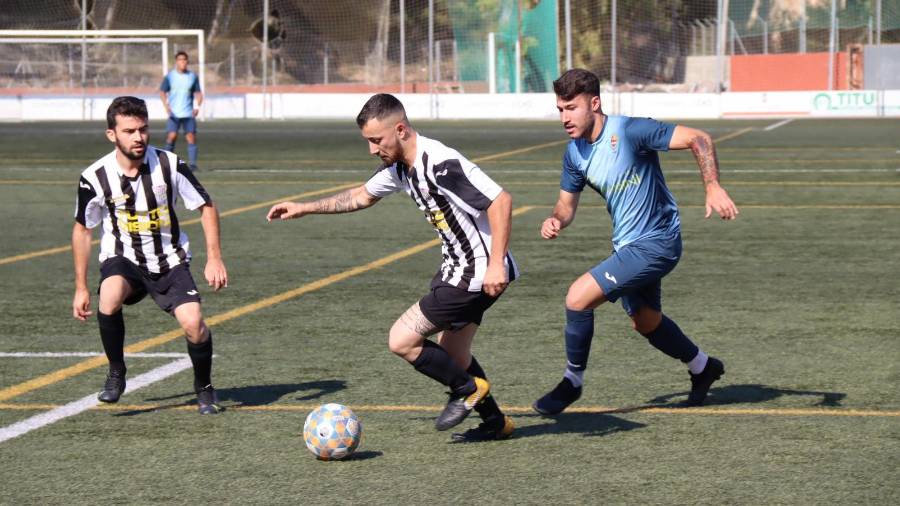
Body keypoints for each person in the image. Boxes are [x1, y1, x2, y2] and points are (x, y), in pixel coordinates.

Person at [267, 93, 517, 442]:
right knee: (455, 353)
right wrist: (304, 207)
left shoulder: (440, 163)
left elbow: (500, 201)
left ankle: (466, 389)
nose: (372, 149)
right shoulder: (401, 168)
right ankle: (495, 422)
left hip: (473, 273)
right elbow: (360, 196)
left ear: (400, 130)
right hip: (460, 270)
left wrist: (495, 265)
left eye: (376, 140)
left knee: (401, 339)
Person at [533, 69, 739, 415]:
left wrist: (712, 186)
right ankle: (703, 367)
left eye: (571, 107)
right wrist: (556, 220)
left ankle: (573, 381)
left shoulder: (630, 131)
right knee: (646, 321)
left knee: (577, 297)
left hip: (658, 242)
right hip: (628, 246)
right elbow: (566, 206)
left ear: (594, 103)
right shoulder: (574, 154)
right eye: (560, 109)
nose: (564, 117)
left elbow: (699, 139)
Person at [72, 96, 227, 414]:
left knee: (194, 323)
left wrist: (214, 257)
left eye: (143, 129)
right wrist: (81, 287)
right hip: (124, 258)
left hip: (169, 259)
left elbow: (206, 207)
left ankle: (205, 387)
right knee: (110, 296)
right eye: (129, 131)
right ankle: (116, 372)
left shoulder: (170, 165)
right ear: (112, 135)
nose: (139, 137)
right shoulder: (94, 177)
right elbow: (83, 231)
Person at [160, 51, 203, 171]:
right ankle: (166, 162)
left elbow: (198, 93)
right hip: (174, 113)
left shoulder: (192, 76)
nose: (182, 62)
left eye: (184, 60)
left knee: (191, 137)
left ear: (187, 61)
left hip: (188, 113)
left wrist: (197, 107)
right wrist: (166, 106)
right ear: (176, 62)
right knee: (171, 136)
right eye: (180, 60)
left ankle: (193, 164)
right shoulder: (170, 76)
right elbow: (162, 92)